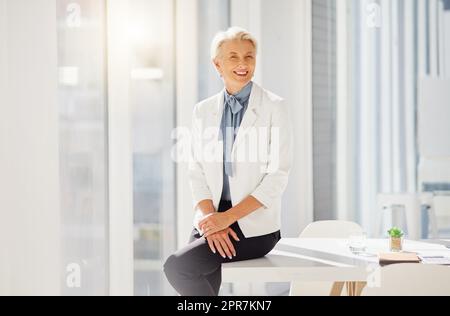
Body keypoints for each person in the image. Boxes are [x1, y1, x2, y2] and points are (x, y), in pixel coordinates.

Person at [163, 26, 293, 296]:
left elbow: (277, 177)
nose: (243, 64)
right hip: (211, 217)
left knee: (178, 267)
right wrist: (212, 218)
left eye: (249, 57)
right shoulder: (203, 110)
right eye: (233, 57)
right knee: (198, 275)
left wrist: (227, 219)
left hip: (254, 225)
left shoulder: (274, 107)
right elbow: (196, 170)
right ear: (217, 64)